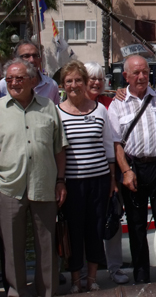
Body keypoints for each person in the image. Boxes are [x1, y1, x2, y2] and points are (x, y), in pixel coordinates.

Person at [0, 58, 67, 297]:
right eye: (9, 79)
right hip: (9, 187)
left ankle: (47, 292)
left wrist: (60, 181)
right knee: (12, 247)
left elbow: (59, 149)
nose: (14, 83)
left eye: (19, 78)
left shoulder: (48, 107)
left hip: (44, 184)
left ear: (31, 80)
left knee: (47, 246)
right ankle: (17, 292)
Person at [108, 55, 156, 283]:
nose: (142, 76)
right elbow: (116, 143)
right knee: (136, 225)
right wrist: (125, 171)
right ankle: (141, 274)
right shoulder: (117, 104)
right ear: (126, 76)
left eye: (145, 71)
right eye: (136, 73)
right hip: (133, 167)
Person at [57, 60, 116, 293]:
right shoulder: (57, 112)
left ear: (85, 82)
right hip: (71, 184)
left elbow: (109, 146)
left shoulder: (99, 109)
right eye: (69, 81)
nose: (74, 85)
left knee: (95, 228)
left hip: (99, 180)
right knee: (74, 231)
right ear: (63, 85)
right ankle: (75, 280)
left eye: (78, 80)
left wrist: (112, 179)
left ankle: (91, 278)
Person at [84, 61, 130, 285]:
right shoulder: (69, 105)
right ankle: (83, 271)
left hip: (107, 173)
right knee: (83, 224)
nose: (96, 82)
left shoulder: (109, 103)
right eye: (91, 78)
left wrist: (114, 178)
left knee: (112, 221)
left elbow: (114, 142)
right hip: (80, 175)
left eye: (99, 78)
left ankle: (115, 267)